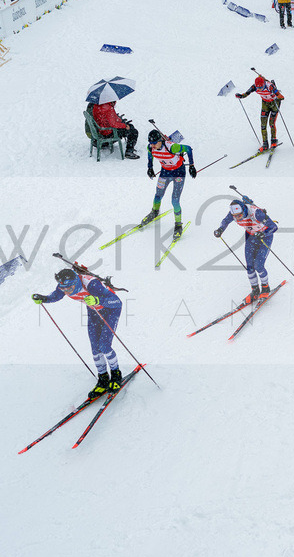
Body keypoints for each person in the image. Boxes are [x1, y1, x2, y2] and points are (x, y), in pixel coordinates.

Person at [32, 268, 124, 400]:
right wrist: (44, 299)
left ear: (76, 280)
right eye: (64, 288)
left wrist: (97, 300)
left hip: (110, 310)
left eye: (69, 288)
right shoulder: (64, 286)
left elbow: (116, 302)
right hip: (94, 311)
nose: (67, 291)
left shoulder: (91, 284)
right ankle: (103, 378)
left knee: (104, 345)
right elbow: (56, 295)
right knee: (95, 349)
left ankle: (116, 375)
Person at [214, 195, 279, 304]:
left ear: (243, 210)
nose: (237, 218)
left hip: (264, 237)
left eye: (239, 215)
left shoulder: (256, 213)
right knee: (249, 266)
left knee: (259, 265)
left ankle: (265, 287)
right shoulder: (234, 214)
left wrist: (263, 233)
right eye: (235, 216)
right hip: (250, 236)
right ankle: (255, 290)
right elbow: (225, 221)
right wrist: (220, 229)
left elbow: (274, 227)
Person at [140, 129, 195, 238]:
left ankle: (178, 225)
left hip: (178, 172)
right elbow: (150, 155)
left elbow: (188, 149)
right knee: (158, 195)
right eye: (150, 143)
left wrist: (192, 166)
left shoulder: (172, 147)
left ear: (160, 140)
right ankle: (154, 212)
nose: (152, 145)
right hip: (165, 172)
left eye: (155, 143)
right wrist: (150, 167)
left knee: (175, 200)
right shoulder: (150, 147)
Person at [236, 75, 283, 151]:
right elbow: (246, 93)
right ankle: (265, 144)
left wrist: (278, 96)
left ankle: (273, 140)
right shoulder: (254, 87)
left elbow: (281, 96)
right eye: (258, 88)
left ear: (264, 84)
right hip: (265, 104)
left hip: (274, 103)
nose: (260, 89)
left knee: (271, 123)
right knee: (263, 125)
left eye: (261, 87)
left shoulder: (270, 86)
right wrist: (240, 96)